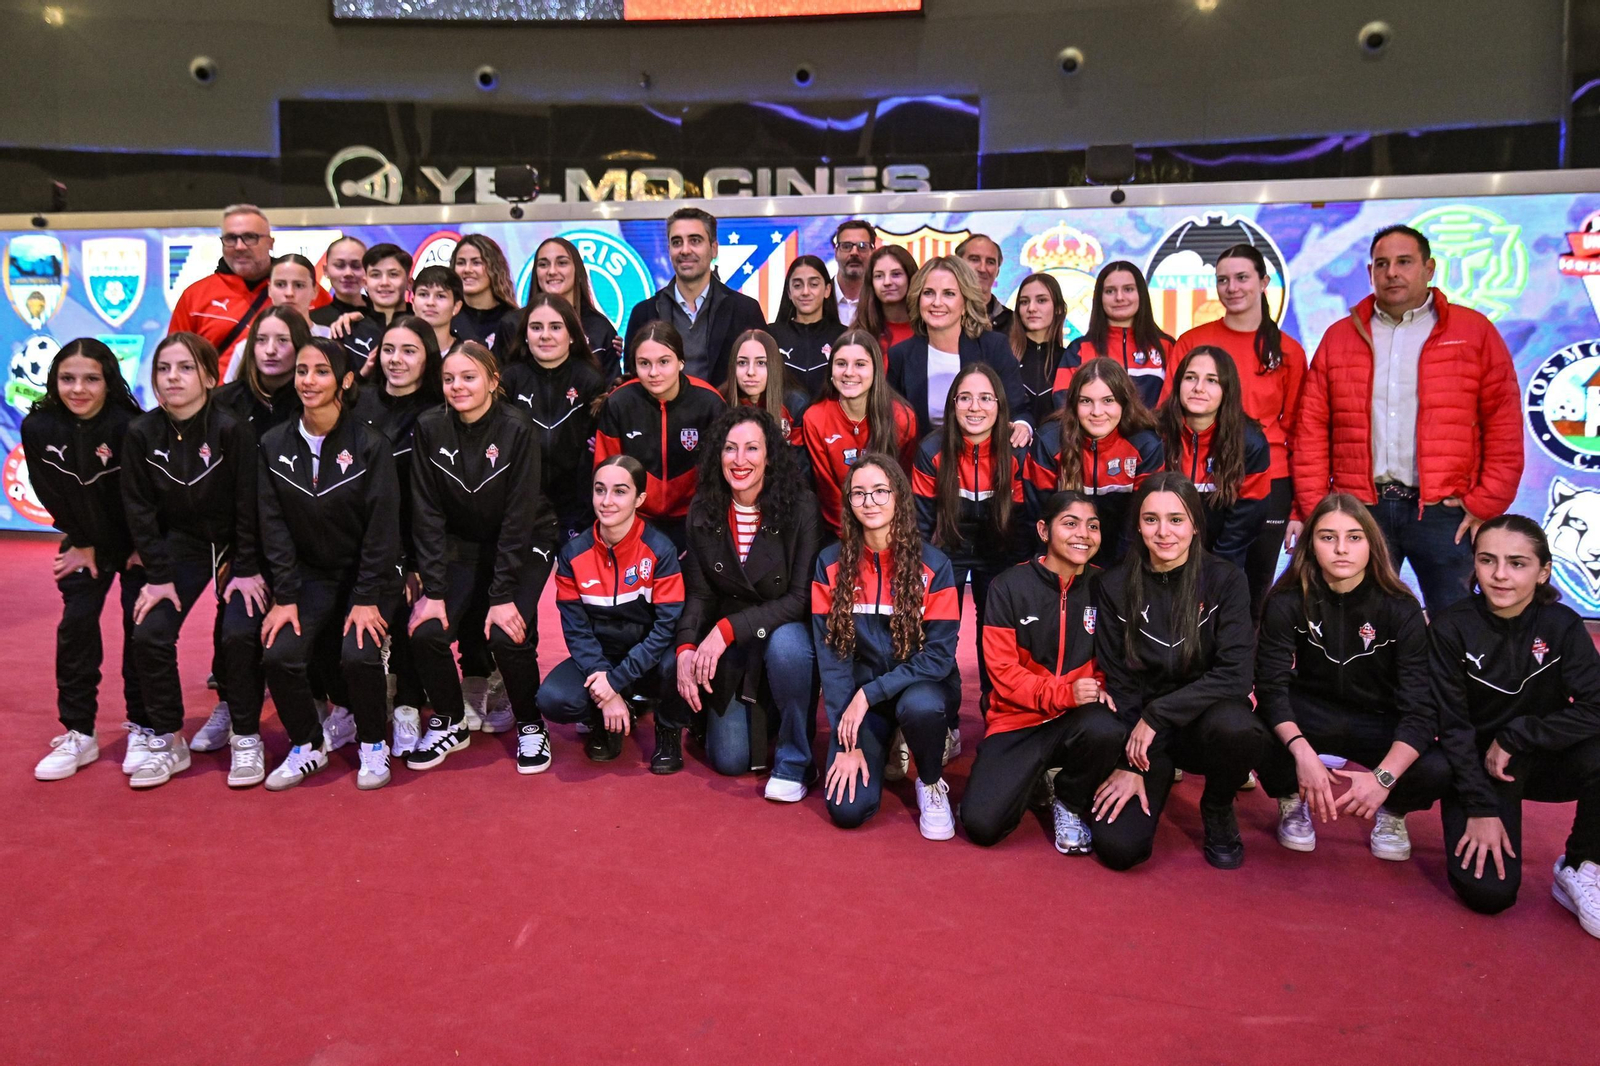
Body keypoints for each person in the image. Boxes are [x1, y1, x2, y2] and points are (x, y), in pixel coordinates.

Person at [1293, 224, 1524, 614]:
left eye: (1404, 262)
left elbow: (1503, 424)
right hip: (1359, 511)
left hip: (1444, 512)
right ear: (1370, 273)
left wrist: (1484, 503)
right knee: (1356, 624)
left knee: (1457, 624)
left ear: (1429, 268)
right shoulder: (1339, 337)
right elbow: (1312, 429)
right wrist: (1319, 509)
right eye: (1382, 264)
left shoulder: (1473, 333)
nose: (1392, 273)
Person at [1254, 493, 1453, 858]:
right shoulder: (1286, 600)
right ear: (1311, 544)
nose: (1341, 549)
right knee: (1252, 731)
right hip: (1310, 713)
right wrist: (1301, 753)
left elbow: (1420, 708)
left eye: (1354, 537)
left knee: (1438, 766)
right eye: (1328, 537)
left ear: (1371, 545)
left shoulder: (1401, 607)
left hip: (1378, 719)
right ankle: (1291, 799)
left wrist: (1384, 779)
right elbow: (1270, 688)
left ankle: (1393, 813)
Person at [1430, 516, 1600, 937]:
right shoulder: (1450, 627)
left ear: (1543, 571)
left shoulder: (1562, 624)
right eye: (1488, 560)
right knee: (1489, 895)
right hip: (1480, 768)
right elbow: (1450, 728)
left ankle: (1581, 865)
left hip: (1538, 757)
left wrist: (1518, 734)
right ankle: (1488, 814)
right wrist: (1480, 807)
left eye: (1517, 563)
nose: (1500, 575)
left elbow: (1596, 706)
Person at [1090, 473, 1263, 870]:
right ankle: (1157, 774)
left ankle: (1218, 805)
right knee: (1120, 850)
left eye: (1176, 519)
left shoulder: (1225, 580)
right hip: (1143, 735)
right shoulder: (1114, 585)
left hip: (1201, 722)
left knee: (1240, 728)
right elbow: (1120, 679)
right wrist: (1131, 762)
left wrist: (1159, 713)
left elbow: (1236, 676)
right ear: (1137, 525)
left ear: (1196, 525)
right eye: (1151, 520)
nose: (1163, 532)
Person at [121, 333, 268, 789]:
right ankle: (167, 738)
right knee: (149, 632)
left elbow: (250, 504)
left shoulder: (231, 429)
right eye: (164, 369)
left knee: (240, 633)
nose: (173, 378)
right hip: (179, 546)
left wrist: (246, 567)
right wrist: (159, 577)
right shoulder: (140, 433)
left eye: (185, 368)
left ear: (208, 376)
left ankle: (246, 736)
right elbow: (139, 509)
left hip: (234, 546)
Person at [405, 341, 560, 774]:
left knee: (506, 632)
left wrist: (502, 593)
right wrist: (433, 591)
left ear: (494, 382)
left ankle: (531, 723)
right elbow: (428, 514)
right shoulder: (429, 427)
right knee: (427, 630)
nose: (458, 387)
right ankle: (450, 720)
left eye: (469, 377)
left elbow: (518, 516)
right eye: (450, 378)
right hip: (462, 543)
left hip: (526, 537)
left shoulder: (518, 428)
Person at [257, 338, 401, 791]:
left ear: (345, 380)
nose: (308, 381)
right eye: (302, 371)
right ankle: (307, 744)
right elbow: (274, 526)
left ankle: (374, 744)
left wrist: (365, 599)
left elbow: (382, 529)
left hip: (370, 575)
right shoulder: (273, 443)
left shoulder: (370, 445)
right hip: (310, 577)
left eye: (321, 371)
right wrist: (285, 596)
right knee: (279, 653)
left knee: (359, 655)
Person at [961, 491, 1126, 853]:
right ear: (1043, 530)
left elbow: (1113, 662)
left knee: (1106, 729)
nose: (1083, 533)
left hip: (1078, 720)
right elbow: (1003, 672)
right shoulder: (1008, 586)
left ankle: (1068, 800)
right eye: (1070, 523)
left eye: (1092, 526)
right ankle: (1035, 777)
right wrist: (1064, 693)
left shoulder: (1108, 587)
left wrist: (1094, 688)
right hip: (1017, 720)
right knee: (981, 825)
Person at [812, 455, 960, 838]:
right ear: (848, 504)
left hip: (918, 687)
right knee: (847, 810)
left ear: (899, 497)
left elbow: (939, 657)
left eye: (880, 491)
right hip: (864, 697)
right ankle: (889, 739)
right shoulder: (829, 564)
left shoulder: (935, 565)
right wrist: (848, 742)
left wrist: (869, 694)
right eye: (859, 494)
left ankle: (929, 781)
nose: (870, 502)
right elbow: (833, 659)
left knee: (923, 707)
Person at [676, 407, 820, 793]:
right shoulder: (702, 509)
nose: (740, 461)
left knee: (788, 647)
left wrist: (726, 630)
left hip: (779, 630)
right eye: (729, 449)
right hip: (733, 649)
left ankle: (796, 759)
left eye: (752, 449)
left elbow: (800, 599)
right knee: (730, 761)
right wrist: (686, 646)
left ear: (769, 455)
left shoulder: (801, 506)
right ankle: (757, 714)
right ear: (716, 455)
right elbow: (700, 594)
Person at [25, 340, 149, 782]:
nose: (78, 388)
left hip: (135, 542)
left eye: (91, 379)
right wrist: (81, 541)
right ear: (54, 381)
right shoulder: (38, 427)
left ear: (109, 381)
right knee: (76, 625)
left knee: (141, 630)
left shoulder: (130, 426)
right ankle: (79, 731)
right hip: (83, 542)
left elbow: (143, 497)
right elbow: (50, 492)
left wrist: (142, 545)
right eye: (68, 378)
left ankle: (143, 725)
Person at [1162, 244, 1305, 615]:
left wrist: (1301, 508)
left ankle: (1244, 669)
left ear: (1264, 282)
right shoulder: (1194, 342)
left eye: (1242, 277)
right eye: (1222, 279)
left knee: (1250, 591)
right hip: (1197, 478)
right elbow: (1168, 414)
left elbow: (1301, 433)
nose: (1232, 287)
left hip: (1267, 482)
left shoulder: (1287, 350)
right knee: (1183, 586)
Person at [541, 455, 687, 768]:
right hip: (602, 657)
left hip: (649, 658)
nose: (607, 501)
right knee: (553, 699)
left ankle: (668, 729)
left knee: (677, 662)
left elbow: (665, 629)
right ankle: (609, 720)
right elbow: (576, 630)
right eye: (600, 490)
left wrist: (615, 681)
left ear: (640, 499)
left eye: (620, 491)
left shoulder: (660, 551)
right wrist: (604, 686)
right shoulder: (572, 555)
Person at [912, 364, 1027, 740]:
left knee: (994, 639)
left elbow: (1026, 524)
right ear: (952, 405)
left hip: (1001, 553)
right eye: (965, 398)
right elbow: (921, 524)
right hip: (949, 550)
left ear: (999, 405)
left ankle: (998, 724)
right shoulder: (932, 449)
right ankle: (948, 724)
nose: (975, 407)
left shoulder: (1017, 452)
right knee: (941, 637)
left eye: (984, 398)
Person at [354, 316, 443, 756]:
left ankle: (408, 706)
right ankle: (349, 705)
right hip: (364, 536)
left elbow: (431, 499)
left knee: (410, 616)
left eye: (409, 350)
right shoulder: (358, 404)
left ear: (427, 357)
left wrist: (414, 561)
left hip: (416, 539)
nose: (396, 359)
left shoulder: (437, 412)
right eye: (389, 349)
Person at [593, 321, 726, 552]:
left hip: (694, 520)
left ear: (681, 362)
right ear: (634, 365)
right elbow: (606, 471)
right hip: (635, 520)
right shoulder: (619, 403)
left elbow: (722, 474)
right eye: (644, 363)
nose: (654, 373)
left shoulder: (709, 403)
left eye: (664, 362)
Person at [1027, 357, 1164, 567]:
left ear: (1124, 402)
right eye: (1086, 401)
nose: (1097, 412)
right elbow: (1038, 517)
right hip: (1063, 558)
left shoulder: (1146, 444)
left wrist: (1117, 573)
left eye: (1108, 401)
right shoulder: (1049, 442)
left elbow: (1142, 520)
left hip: (1127, 559)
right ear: (1074, 403)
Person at [888, 256, 1032, 446]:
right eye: (929, 293)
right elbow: (891, 421)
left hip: (985, 462)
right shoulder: (901, 355)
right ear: (918, 299)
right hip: (924, 464)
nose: (937, 302)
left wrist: (1023, 426)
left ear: (965, 303)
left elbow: (1019, 409)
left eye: (948, 294)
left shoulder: (994, 348)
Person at [501, 293, 609, 542]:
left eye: (556, 327)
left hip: (577, 508)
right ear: (525, 335)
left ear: (572, 335)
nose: (545, 335)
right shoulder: (510, 380)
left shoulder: (590, 379)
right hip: (522, 505)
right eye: (536, 327)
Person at [1155, 346, 1271, 569]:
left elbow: (1246, 519)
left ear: (1227, 389)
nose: (1199, 388)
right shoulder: (1153, 435)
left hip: (1223, 561)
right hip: (1159, 558)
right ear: (1178, 383)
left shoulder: (1251, 442)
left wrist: (1217, 568)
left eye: (1212, 380)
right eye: (1190, 378)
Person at [622, 206, 765, 384]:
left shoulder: (745, 311)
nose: (685, 250)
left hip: (727, 411)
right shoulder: (644, 313)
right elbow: (633, 380)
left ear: (714, 249)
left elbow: (764, 375)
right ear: (669, 250)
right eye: (677, 242)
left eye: (695, 241)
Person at [801, 330, 918, 536]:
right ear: (831, 369)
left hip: (892, 530)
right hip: (840, 532)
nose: (849, 372)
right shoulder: (815, 418)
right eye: (841, 364)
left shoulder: (902, 418)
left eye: (860, 364)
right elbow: (829, 495)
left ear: (877, 370)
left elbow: (905, 485)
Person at [167, 205, 281, 376]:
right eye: (230, 238)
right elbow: (172, 362)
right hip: (215, 400)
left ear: (270, 243)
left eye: (250, 237)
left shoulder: (300, 291)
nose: (240, 246)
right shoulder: (195, 296)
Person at [1057, 261, 1174, 410]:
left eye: (1128, 289)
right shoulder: (1079, 349)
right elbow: (1064, 402)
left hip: (1154, 432)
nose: (1119, 297)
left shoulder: (1166, 346)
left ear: (1141, 294)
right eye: (1110, 291)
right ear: (1099, 298)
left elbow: (1176, 403)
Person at [524, 236, 621, 379]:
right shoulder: (514, 323)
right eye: (543, 265)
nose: (551, 271)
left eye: (562, 263)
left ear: (578, 271)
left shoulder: (600, 328)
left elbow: (612, 390)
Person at [214, 305, 307, 432]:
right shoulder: (222, 400)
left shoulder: (311, 401)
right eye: (261, 340)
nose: (270, 350)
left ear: (300, 345)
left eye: (282, 340)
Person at [766, 255, 844, 399]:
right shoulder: (770, 336)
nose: (805, 292)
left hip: (830, 420)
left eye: (814, 284)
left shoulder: (844, 337)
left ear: (827, 290)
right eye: (797, 285)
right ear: (789, 292)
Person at [723, 328, 809, 445]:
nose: (751, 372)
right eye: (742, 363)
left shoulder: (796, 404)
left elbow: (798, 460)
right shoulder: (719, 401)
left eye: (761, 363)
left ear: (774, 366)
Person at [1008, 272, 1068, 426]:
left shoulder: (1070, 359)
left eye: (1041, 300)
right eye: (1024, 302)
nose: (1031, 308)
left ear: (1059, 308)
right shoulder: (1003, 357)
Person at [451, 234, 519, 350]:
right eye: (461, 263)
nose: (467, 270)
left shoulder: (514, 320)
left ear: (495, 268)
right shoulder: (447, 317)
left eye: (476, 263)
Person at [851, 244, 918, 361]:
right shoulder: (858, 334)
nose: (887, 282)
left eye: (896, 274)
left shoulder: (928, 330)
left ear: (910, 277)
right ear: (870, 282)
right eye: (879, 276)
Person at [309, 235, 369, 328]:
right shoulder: (313, 322)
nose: (348, 273)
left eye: (356, 266)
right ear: (325, 270)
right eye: (339, 265)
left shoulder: (385, 315)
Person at [956, 234, 1011, 333]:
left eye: (990, 262)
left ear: (997, 271)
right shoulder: (940, 315)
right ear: (958, 266)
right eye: (974, 259)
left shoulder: (1013, 324)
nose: (982, 269)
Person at [409, 265, 464, 357]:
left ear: (456, 307)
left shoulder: (468, 356)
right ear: (413, 302)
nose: (430, 303)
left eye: (440, 296)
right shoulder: (395, 352)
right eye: (423, 294)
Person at [830, 219, 877, 326]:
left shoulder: (880, 299)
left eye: (862, 246)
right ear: (836, 252)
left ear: (873, 253)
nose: (854, 253)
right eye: (846, 246)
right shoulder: (819, 297)